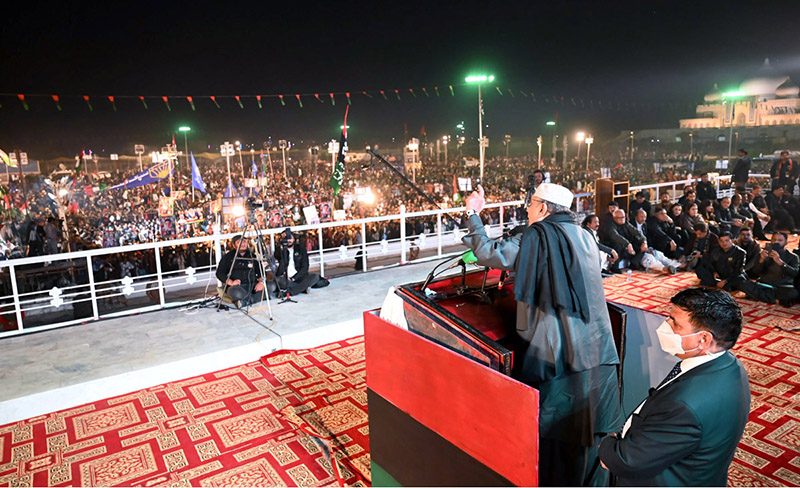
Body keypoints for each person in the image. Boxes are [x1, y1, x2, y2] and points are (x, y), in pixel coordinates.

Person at [463, 183, 621, 486]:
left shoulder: (538, 236)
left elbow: (487, 252)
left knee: (559, 442)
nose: (527, 208)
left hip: (561, 358)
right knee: (592, 439)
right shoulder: (585, 236)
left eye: (531, 203)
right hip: (599, 351)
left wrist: (473, 213)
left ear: (544, 208)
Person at [598, 287, 750, 486]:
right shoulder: (730, 365)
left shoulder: (683, 405)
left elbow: (624, 461)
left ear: (704, 339)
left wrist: (607, 441)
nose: (665, 325)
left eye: (674, 323)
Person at [696, 232, 775, 303]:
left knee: (740, 281)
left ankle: (718, 284)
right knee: (700, 269)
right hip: (718, 274)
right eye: (722, 241)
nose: (724, 243)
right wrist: (714, 272)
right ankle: (717, 283)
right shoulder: (715, 249)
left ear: (732, 240)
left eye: (727, 241)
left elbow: (738, 270)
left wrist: (726, 280)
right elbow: (710, 263)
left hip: (732, 276)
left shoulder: (740, 252)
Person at [215, 235, 266, 306]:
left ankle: (245, 301)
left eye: (244, 241)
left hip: (252, 285)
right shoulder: (228, 257)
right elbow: (219, 273)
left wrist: (261, 283)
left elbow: (261, 273)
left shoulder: (253, 256)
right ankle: (256, 299)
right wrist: (231, 282)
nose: (243, 244)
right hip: (238, 287)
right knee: (234, 292)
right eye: (239, 242)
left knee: (271, 285)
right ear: (234, 245)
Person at [752, 232, 799, 307]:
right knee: (744, 284)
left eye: (780, 240)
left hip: (782, 286)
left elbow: (795, 274)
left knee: (794, 292)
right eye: (774, 240)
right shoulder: (764, 253)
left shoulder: (793, 257)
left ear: (786, 242)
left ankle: (763, 296)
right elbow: (755, 272)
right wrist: (761, 260)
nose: (776, 242)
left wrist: (780, 262)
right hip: (765, 284)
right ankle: (776, 299)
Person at [274, 228, 320, 296]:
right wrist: (283, 245)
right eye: (286, 238)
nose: (288, 240)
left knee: (315, 277)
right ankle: (302, 288)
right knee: (278, 281)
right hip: (285, 278)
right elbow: (277, 255)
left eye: (290, 238)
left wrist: (294, 278)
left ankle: (289, 292)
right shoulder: (281, 250)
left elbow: (305, 267)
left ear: (294, 239)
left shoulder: (301, 249)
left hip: (298, 277)